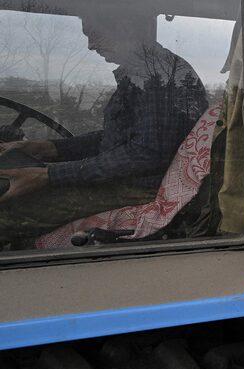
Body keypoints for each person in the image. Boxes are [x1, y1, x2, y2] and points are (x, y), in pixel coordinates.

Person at [0, 14, 208, 246]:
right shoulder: (144, 71)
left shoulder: (157, 73)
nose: (91, 45)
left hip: (137, 189)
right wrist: (47, 148)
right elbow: (116, 139)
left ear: (125, 25)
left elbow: (147, 154)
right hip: (128, 180)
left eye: (94, 34)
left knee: (7, 211)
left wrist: (49, 175)